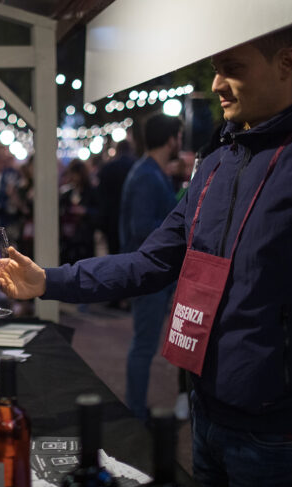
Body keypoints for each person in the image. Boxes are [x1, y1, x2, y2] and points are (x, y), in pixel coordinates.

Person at [0, 22, 292, 487]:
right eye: (214, 69)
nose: (215, 84)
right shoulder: (215, 164)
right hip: (205, 420)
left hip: (286, 441)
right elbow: (150, 262)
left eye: (232, 68)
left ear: (287, 63)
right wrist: (48, 280)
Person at [119, 114, 182, 421]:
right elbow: (141, 226)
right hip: (147, 273)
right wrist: (177, 227)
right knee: (143, 345)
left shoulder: (151, 171)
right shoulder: (147, 175)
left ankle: (137, 409)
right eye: (178, 136)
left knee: (144, 344)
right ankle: (136, 413)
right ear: (171, 139)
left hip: (151, 271)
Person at [96, 139, 137, 255]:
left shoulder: (107, 168)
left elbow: (101, 197)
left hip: (111, 220)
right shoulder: (136, 167)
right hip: (130, 220)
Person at [59, 159, 99, 265]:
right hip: (68, 241)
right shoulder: (66, 193)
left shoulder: (91, 192)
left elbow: (99, 214)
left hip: (85, 239)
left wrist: (85, 211)